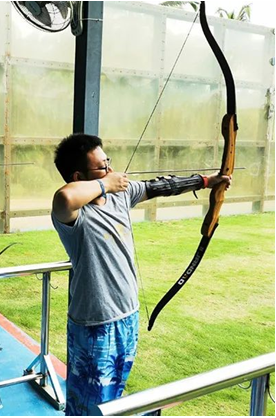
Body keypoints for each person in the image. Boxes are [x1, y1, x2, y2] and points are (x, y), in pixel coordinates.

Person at [51, 133, 231, 415]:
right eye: (102, 166)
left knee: (114, 395)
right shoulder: (74, 213)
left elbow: (161, 186)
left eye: (109, 162)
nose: (111, 170)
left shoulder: (120, 195)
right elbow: (64, 197)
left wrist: (208, 181)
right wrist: (106, 184)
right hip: (95, 323)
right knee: (88, 404)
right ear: (78, 176)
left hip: (127, 315)